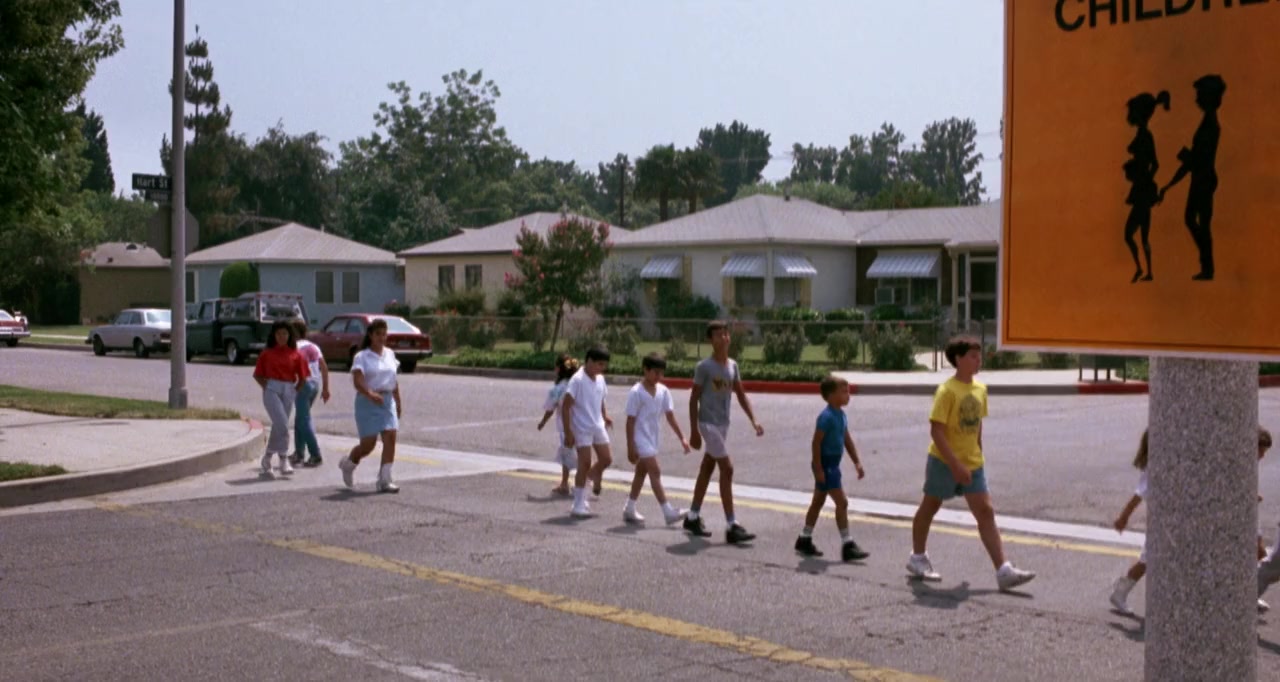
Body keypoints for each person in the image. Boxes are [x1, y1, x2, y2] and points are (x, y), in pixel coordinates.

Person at [906, 336, 1035, 592]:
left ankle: (1003, 570)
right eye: (973, 356)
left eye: (979, 355)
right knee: (930, 506)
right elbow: (936, 431)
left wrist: (978, 454)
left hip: (973, 463)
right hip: (944, 461)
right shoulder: (947, 391)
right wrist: (955, 465)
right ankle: (917, 557)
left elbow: (977, 426)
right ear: (958, 359)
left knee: (985, 511)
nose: (979, 360)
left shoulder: (980, 389)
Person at [684, 321, 764, 544]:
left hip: (722, 424)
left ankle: (692, 516)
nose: (724, 338)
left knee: (707, 467)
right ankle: (731, 525)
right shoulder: (704, 367)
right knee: (727, 469)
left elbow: (740, 394)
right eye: (718, 335)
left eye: (726, 334)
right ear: (711, 340)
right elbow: (693, 399)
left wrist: (754, 420)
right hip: (708, 424)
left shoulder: (732, 366)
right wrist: (694, 431)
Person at [795, 375, 870, 562]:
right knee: (842, 503)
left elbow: (846, 439)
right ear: (830, 396)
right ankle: (847, 544)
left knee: (818, 502)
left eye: (848, 391)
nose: (848, 395)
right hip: (826, 464)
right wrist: (818, 468)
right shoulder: (826, 417)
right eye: (843, 392)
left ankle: (804, 538)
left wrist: (857, 461)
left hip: (833, 464)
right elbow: (816, 443)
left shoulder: (841, 415)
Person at [1159, 74, 1226, 281]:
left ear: (1209, 97)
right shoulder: (1209, 122)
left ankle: (1207, 267)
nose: (1196, 98)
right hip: (1202, 178)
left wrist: (1184, 159)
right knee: (1199, 222)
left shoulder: (1210, 125)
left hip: (1203, 179)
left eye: (1199, 94)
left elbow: (1197, 159)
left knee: (1197, 221)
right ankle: (1207, 266)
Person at [623, 353, 691, 525]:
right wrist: (630, 447)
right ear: (645, 370)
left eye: (661, 373)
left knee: (641, 472)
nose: (659, 377)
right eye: (655, 373)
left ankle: (630, 508)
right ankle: (668, 511)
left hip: (652, 437)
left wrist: (682, 438)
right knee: (655, 471)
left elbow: (670, 416)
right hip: (639, 438)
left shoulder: (663, 391)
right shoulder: (636, 392)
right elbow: (630, 421)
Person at [338, 318, 403, 493]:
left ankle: (385, 479)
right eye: (378, 334)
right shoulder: (362, 356)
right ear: (371, 336)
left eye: (384, 334)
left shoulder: (390, 354)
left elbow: (393, 380)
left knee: (390, 436)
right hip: (367, 402)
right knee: (368, 445)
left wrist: (397, 401)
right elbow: (358, 381)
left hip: (387, 400)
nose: (382, 338)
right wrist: (370, 394)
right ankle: (349, 464)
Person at [1122, 90, 1169, 283]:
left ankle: (1143, 270)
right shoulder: (1142, 134)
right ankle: (1145, 270)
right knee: (1140, 236)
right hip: (1142, 191)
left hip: (1142, 192)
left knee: (1132, 235)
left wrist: (1145, 180)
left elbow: (1155, 164)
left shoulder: (1145, 136)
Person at [252, 320, 309, 477]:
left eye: (285, 333)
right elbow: (257, 375)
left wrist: (294, 391)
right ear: (274, 335)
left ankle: (267, 458)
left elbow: (303, 378)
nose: (282, 337)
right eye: (278, 334)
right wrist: (267, 387)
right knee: (282, 425)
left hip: (289, 389)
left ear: (290, 335)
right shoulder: (267, 353)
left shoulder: (296, 354)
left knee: (279, 426)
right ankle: (283, 458)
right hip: (272, 389)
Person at [562, 348, 614, 518]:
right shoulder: (577, 380)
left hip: (597, 425)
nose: (602, 368)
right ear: (589, 361)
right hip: (581, 427)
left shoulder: (600, 379)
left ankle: (586, 481)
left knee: (606, 459)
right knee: (584, 463)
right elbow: (566, 406)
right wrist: (568, 432)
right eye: (599, 364)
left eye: (604, 365)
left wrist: (605, 415)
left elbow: (601, 399)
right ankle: (578, 504)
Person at [1109, 431, 1151, 615]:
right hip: (1159, 524)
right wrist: (1123, 517)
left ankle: (1121, 590)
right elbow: (1137, 496)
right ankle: (1120, 592)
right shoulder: (1153, 469)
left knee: (1148, 559)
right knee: (1147, 560)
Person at [290, 318, 331, 468]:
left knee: (304, 420)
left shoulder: (294, 347)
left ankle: (315, 454)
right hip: (315, 384)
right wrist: (326, 389)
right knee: (300, 419)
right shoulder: (313, 347)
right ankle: (299, 453)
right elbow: (324, 367)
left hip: (303, 384)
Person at [537, 353, 580, 497]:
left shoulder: (559, 388)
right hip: (581, 424)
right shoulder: (578, 385)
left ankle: (565, 483)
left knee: (566, 454)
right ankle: (584, 479)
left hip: (565, 427)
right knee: (582, 452)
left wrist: (543, 422)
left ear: (558, 369)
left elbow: (550, 408)